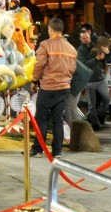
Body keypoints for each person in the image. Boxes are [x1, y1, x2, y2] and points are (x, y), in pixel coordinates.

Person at [29, 17, 77, 157]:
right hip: (64, 88)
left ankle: (38, 149)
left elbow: (40, 64)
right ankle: (57, 151)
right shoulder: (71, 49)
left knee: (42, 119)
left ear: (50, 29)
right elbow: (73, 69)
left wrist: (34, 80)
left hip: (48, 87)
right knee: (58, 119)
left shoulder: (45, 45)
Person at [84, 35, 111, 130]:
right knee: (92, 104)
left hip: (101, 80)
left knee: (107, 98)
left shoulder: (103, 53)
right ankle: (96, 123)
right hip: (90, 81)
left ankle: (99, 115)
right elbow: (85, 64)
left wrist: (106, 55)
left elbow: (105, 64)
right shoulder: (90, 51)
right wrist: (96, 59)